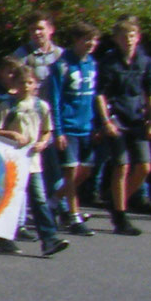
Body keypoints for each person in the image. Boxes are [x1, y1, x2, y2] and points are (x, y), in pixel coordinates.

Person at [0, 61, 69, 256]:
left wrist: (43, 142)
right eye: (22, 82)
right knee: (11, 199)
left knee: (39, 199)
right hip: (12, 160)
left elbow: (47, 131)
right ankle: (4, 238)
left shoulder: (41, 106)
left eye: (30, 82)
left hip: (33, 161)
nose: (26, 86)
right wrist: (12, 135)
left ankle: (49, 239)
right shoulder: (8, 105)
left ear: (35, 84)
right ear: (15, 83)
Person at [93, 17, 151, 236]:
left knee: (144, 167)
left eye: (132, 36)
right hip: (116, 117)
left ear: (138, 37)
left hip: (137, 118)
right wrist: (106, 121)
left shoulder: (145, 61)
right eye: (123, 37)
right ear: (116, 40)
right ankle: (120, 217)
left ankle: (116, 200)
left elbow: (150, 92)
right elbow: (100, 94)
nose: (128, 40)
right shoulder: (108, 62)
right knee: (121, 166)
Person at [47, 22, 102, 233]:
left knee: (85, 171)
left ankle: (54, 199)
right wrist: (58, 130)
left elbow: (94, 97)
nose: (91, 44)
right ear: (76, 40)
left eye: (94, 40)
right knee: (70, 172)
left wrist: (97, 123)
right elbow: (56, 100)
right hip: (68, 126)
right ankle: (74, 216)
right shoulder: (62, 65)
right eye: (86, 39)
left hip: (86, 125)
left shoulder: (92, 64)